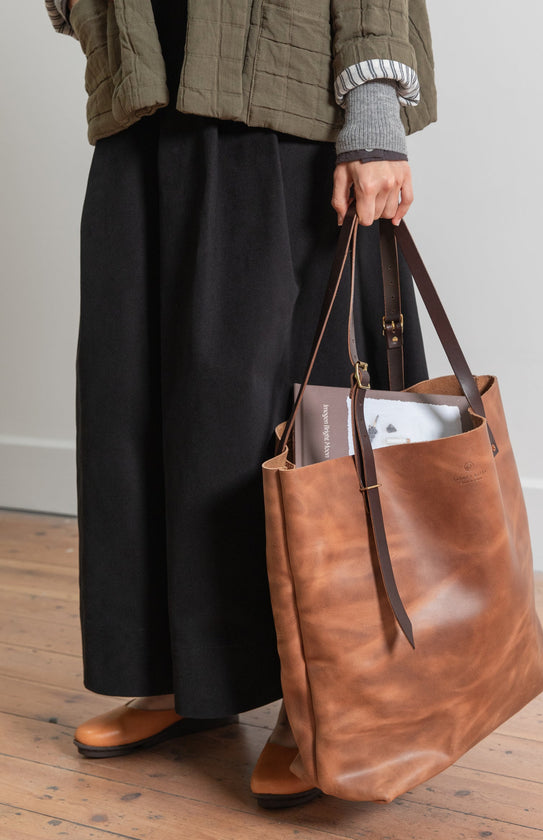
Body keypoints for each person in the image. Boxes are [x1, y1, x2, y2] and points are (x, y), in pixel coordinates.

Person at [44, 0, 436, 808]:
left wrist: (372, 116)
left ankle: (322, 696)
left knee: (297, 411)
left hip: (282, 110)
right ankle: (184, 676)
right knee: (137, 402)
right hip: (144, 99)